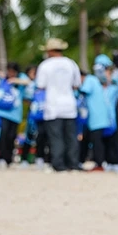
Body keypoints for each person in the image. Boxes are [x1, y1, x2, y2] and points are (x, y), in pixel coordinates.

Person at [36, 39, 82, 172]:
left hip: (53, 106)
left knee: (56, 137)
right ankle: (72, 164)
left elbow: (40, 85)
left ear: (50, 51)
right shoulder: (71, 64)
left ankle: (58, 164)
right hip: (69, 105)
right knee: (71, 137)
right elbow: (76, 85)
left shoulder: (45, 65)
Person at [79, 56, 114, 171]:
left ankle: (99, 163)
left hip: (95, 118)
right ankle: (81, 161)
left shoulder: (90, 80)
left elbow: (82, 92)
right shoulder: (101, 83)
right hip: (99, 118)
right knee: (88, 140)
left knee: (96, 142)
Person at [0, 62, 26, 167]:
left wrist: (14, 80)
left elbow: (29, 82)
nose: (11, 73)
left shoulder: (20, 80)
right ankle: (0, 157)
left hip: (15, 115)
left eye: (13, 71)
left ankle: (9, 159)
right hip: (2, 113)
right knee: (3, 135)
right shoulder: (2, 80)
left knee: (11, 136)